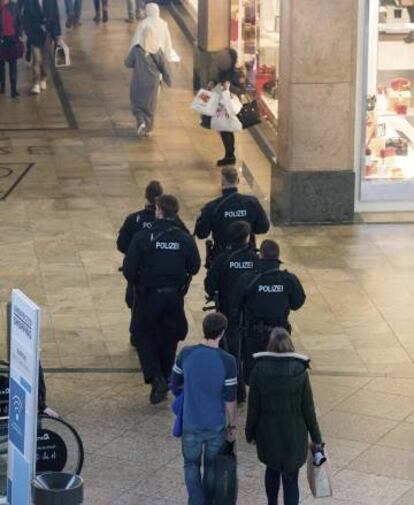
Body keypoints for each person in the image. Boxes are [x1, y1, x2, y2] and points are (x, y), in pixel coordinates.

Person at [123, 194, 201, 404]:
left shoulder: (143, 237)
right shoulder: (184, 238)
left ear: (158, 211)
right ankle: (165, 376)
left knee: (142, 336)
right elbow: (194, 266)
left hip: (148, 296)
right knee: (170, 336)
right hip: (174, 297)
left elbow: (129, 271)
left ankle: (156, 377)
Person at [245, 328, 324, 505]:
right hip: (294, 435)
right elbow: (308, 410)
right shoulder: (300, 372)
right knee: (291, 480)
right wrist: (317, 439)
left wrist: (249, 432)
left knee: (271, 471)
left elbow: (254, 407)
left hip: (268, 433)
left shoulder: (259, 371)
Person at [171, 312, 238, 505]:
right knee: (211, 466)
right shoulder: (228, 361)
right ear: (222, 333)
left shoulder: (186, 353)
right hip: (215, 425)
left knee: (190, 465)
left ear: (204, 329)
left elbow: (175, 382)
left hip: (191, 422)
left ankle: (195, 502)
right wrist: (232, 426)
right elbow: (230, 399)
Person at [117, 180, 189, 343]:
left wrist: (133, 256)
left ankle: (138, 335)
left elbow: (121, 244)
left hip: (141, 276)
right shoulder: (175, 223)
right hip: (170, 281)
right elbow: (187, 244)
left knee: (136, 303)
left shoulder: (134, 219)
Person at [231, 239, 306, 383]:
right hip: (280, 334)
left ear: (261, 255)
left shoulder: (248, 279)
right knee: (280, 372)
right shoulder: (288, 280)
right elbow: (297, 303)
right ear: (278, 256)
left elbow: (235, 305)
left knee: (254, 376)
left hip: (254, 335)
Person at [205, 220, 258, 402]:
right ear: (247, 237)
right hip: (252, 314)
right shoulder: (255, 259)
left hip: (230, 313)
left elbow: (209, 286)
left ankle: (237, 391)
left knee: (232, 353)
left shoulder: (222, 259)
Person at [194, 166, 269, 267]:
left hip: (222, 257)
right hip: (248, 258)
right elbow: (264, 227)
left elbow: (201, 233)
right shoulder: (251, 203)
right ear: (238, 181)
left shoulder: (212, 207)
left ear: (222, 182)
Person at [125, 20, 171, 138]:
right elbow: (163, 66)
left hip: (138, 81)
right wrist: (167, 78)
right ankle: (149, 130)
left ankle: (141, 122)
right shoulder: (158, 51)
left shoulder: (136, 50)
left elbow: (128, 63)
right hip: (152, 83)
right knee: (150, 105)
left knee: (137, 103)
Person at [210, 48, 245, 167]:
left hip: (230, 106)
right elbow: (217, 80)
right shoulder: (222, 71)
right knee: (224, 130)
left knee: (226, 130)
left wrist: (229, 87)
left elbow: (242, 90)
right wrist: (213, 82)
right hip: (221, 104)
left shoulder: (236, 74)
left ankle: (230, 155)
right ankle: (229, 154)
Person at [22, 0, 61, 95]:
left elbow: (55, 14)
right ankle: (36, 82)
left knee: (45, 57)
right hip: (34, 33)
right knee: (36, 58)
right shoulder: (29, 2)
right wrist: (27, 31)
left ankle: (43, 76)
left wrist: (57, 33)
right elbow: (25, 16)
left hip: (47, 33)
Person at [0, 0, 22, 98]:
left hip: (12, 39)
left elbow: (19, 21)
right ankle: (2, 86)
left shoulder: (14, 6)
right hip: (2, 39)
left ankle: (13, 90)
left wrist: (19, 35)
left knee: (13, 65)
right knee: (1, 65)